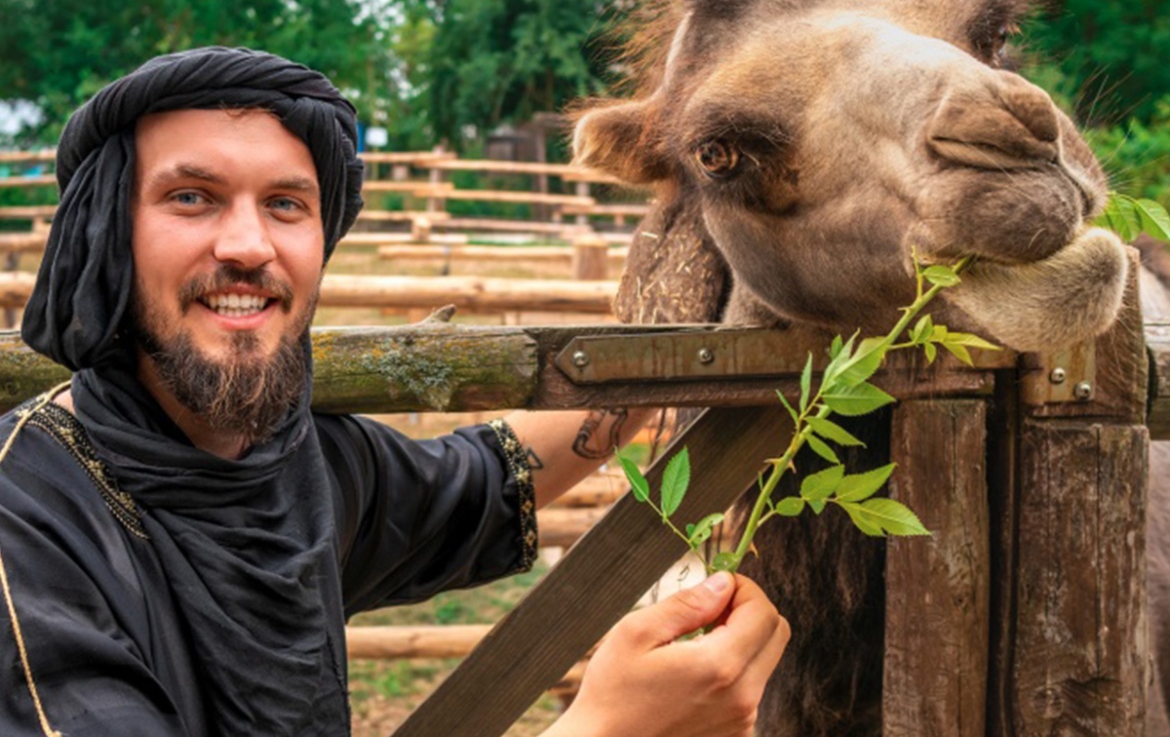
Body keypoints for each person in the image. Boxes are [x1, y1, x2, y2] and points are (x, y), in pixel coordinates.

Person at [0, 47, 788, 736]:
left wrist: (670, 339)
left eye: (286, 205)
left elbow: (485, 481)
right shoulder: (25, 525)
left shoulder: (299, 464)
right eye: (191, 197)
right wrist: (604, 727)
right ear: (106, 235)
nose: (247, 244)